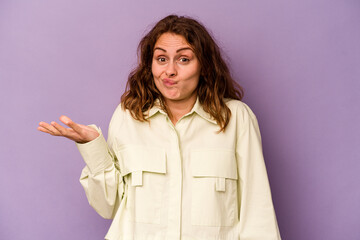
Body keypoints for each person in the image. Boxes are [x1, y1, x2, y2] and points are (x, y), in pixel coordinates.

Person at [38, 15, 281, 240]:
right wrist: (93, 148)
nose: (170, 71)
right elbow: (108, 207)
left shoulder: (236, 118)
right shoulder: (128, 116)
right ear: (150, 65)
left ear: (204, 66)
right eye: (161, 59)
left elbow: (257, 211)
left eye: (184, 59)